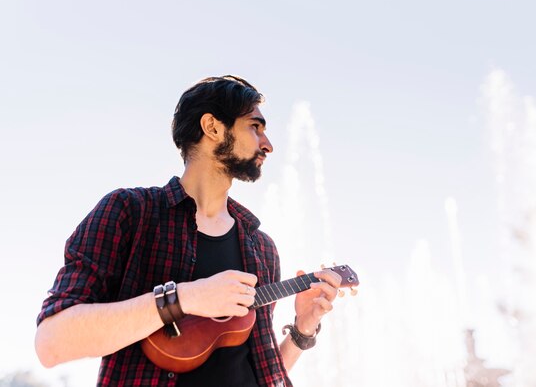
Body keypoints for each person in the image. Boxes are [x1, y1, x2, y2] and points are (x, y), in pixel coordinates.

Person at [34, 75, 341, 386]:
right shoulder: (130, 212)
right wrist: (184, 298)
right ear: (212, 127)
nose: (268, 144)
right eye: (255, 127)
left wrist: (303, 329)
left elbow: (263, 372)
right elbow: (51, 343)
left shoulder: (261, 247)